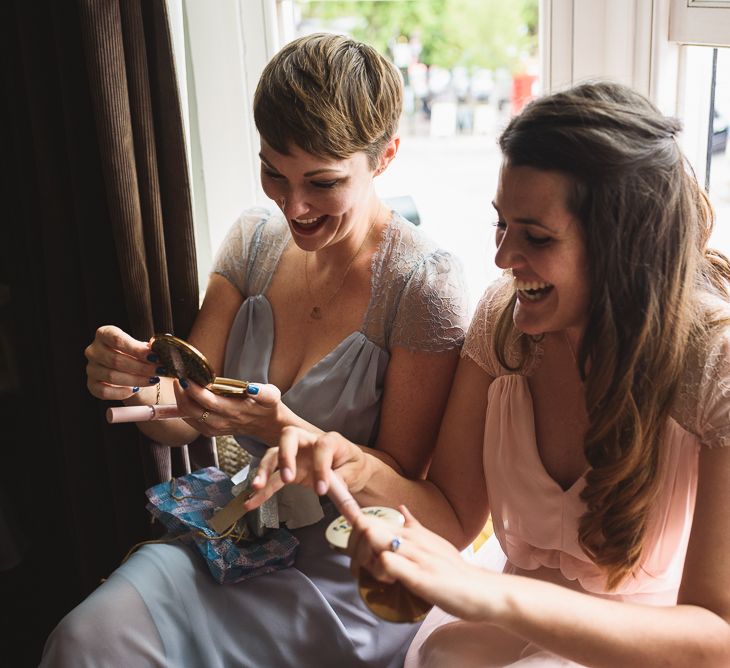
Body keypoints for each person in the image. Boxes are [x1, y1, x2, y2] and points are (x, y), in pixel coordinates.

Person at [247, 81, 730, 667]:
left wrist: (490, 591)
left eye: (537, 237)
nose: (502, 259)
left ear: (625, 244)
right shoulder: (504, 325)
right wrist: (347, 459)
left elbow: (716, 638)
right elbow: (451, 517)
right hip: (495, 637)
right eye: (501, 225)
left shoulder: (713, 363)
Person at [41, 33, 467, 667]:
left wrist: (287, 426)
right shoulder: (253, 242)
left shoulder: (421, 285)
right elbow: (187, 412)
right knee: (85, 640)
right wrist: (130, 381)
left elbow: (408, 500)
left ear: (385, 157)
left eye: (321, 183)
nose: (292, 206)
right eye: (273, 171)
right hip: (242, 532)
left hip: (351, 573)